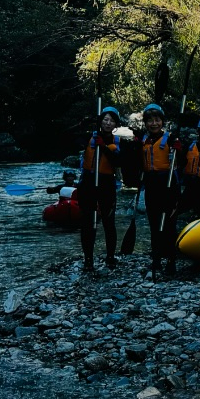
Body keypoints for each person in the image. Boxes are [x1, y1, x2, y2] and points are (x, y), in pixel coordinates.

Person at [138, 103, 182, 275]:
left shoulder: (171, 140)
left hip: (168, 185)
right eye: (150, 121)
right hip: (151, 186)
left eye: (157, 120)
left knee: (170, 225)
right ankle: (156, 259)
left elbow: (183, 161)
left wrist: (180, 149)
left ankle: (171, 260)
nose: (153, 124)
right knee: (154, 225)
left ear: (162, 122)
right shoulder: (142, 141)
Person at [79, 106, 123, 274]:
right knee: (88, 223)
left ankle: (110, 256)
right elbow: (69, 139)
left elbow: (118, 161)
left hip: (106, 184)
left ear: (115, 124)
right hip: (89, 183)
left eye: (111, 120)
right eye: (105, 119)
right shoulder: (89, 137)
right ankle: (88, 259)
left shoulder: (117, 142)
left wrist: (103, 146)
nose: (107, 123)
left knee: (108, 222)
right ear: (100, 121)